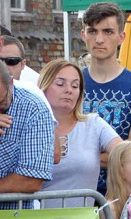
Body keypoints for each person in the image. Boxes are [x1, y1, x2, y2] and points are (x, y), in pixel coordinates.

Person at [80, 2, 131, 193]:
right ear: (84, 35)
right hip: (74, 191)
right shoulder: (70, 83)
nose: (99, 39)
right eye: (92, 31)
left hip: (119, 194)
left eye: (107, 32)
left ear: (121, 37)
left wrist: (77, 157)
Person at [38, 60, 121, 207]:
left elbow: (127, 153)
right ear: (43, 87)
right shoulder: (29, 126)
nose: (69, 90)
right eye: (60, 84)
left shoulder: (93, 123)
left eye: (75, 85)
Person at [0, 60, 54, 201]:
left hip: (13, 218)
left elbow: (31, 180)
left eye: (0, 103)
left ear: (12, 83)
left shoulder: (34, 109)